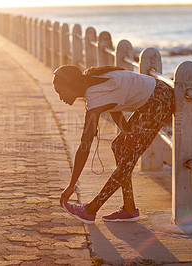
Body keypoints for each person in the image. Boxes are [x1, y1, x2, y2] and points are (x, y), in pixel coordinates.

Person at [53, 65, 174, 224]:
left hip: (159, 101)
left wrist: (71, 185)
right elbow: (114, 105)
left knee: (129, 155)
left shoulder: (94, 97)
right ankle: (129, 209)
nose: (61, 97)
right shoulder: (91, 83)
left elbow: (85, 146)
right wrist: (125, 131)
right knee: (119, 146)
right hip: (152, 99)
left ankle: (91, 209)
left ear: (73, 85)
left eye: (62, 92)